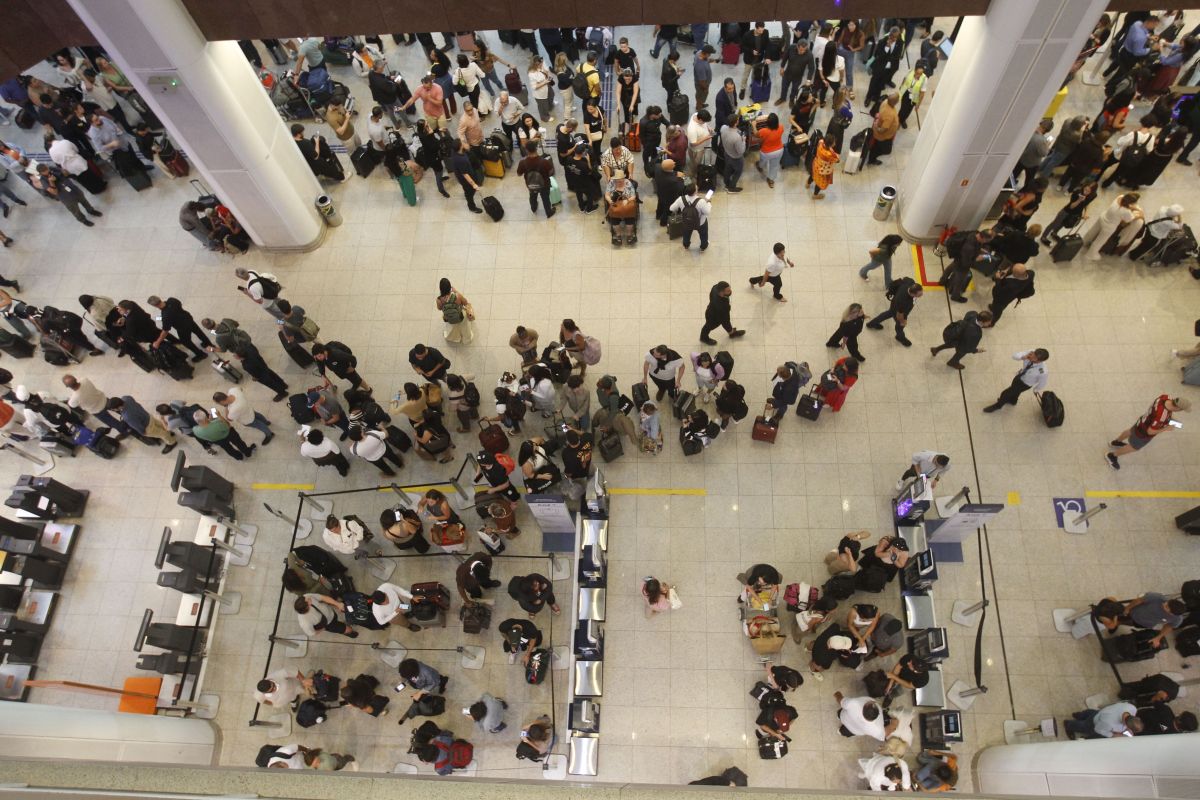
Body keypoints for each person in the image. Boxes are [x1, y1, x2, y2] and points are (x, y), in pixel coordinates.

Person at [1107, 394, 1190, 470]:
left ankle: (1116, 442)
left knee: (1131, 431)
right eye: (1182, 410)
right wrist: (1166, 428)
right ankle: (1112, 456)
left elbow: (1162, 412)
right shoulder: (1161, 417)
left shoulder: (1165, 397)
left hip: (1143, 421)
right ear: (1178, 408)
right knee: (1134, 447)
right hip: (1143, 434)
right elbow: (1150, 431)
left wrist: (1168, 418)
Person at [983, 349, 1050, 413]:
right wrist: (1023, 357)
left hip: (1025, 384)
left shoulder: (1043, 371)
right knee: (1015, 391)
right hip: (1019, 376)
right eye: (1033, 354)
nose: (1032, 356)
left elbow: (1042, 383)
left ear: (1040, 361)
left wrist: (1036, 390)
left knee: (1006, 393)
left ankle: (998, 405)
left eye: (1034, 357)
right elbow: (1014, 356)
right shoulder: (1030, 353)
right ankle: (1013, 401)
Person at [106, 395, 177, 453]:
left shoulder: (127, 416)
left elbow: (137, 425)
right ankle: (169, 432)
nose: (113, 410)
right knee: (160, 424)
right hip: (148, 416)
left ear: (118, 407)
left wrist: (143, 432)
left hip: (147, 426)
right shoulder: (126, 398)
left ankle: (171, 442)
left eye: (113, 409)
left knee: (161, 434)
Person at [929, 310, 994, 370]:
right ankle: (952, 362)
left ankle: (936, 349)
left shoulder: (973, 314)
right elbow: (968, 348)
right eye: (988, 322)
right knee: (961, 353)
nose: (990, 323)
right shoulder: (976, 333)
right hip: (961, 343)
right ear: (982, 321)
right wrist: (977, 350)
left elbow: (966, 317)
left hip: (955, 337)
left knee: (950, 344)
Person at [867, 277, 922, 347]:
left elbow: (904, 279)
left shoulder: (910, 282)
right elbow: (899, 315)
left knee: (888, 313)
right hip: (897, 309)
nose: (921, 295)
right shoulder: (903, 301)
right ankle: (900, 337)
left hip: (895, 303)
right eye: (919, 294)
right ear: (912, 294)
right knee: (899, 326)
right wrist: (903, 321)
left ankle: (871, 323)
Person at [1041, 179, 1098, 245]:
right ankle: (1044, 237)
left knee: (1063, 224)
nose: (1086, 192)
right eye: (1085, 189)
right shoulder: (1077, 192)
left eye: (1088, 191)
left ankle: (1054, 233)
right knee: (1055, 224)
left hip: (1076, 213)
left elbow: (1087, 203)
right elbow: (1071, 206)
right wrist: (1079, 200)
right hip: (1067, 211)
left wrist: (1085, 213)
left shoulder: (1093, 195)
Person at [1123, 593, 1188, 647]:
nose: (1164, 604)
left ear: (1171, 614)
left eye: (1166, 607)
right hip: (1132, 612)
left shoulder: (1177, 619)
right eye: (1167, 603)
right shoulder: (1157, 597)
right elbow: (1139, 600)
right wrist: (1127, 608)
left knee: (1126, 623)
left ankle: (1119, 623)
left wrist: (1158, 638)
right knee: (1119, 620)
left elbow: (1169, 627)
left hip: (1143, 623)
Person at [1064, 701, 1144, 739]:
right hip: (1096, 722)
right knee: (1084, 726)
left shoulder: (1132, 708)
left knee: (1090, 713)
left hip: (1103, 712)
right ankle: (1068, 724)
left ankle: (1078, 715)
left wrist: (1127, 729)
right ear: (1126, 725)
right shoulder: (1109, 723)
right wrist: (1119, 735)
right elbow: (1098, 730)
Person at [516, 142, 556, 219]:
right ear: (536, 149)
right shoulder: (544, 162)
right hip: (544, 184)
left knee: (532, 196)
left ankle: (533, 208)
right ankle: (549, 212)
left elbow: (519, 174)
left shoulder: (522, 162)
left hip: (530, 184)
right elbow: (551, 172)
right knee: (545, 198)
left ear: (526, 150)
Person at [865, 27, 903, 106]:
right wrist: (887, 48)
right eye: (893, 37)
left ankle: (876, 97)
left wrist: (889, 58)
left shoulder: (900, 42)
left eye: (896, 37)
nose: (895, 39)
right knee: (874, 82)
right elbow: (878, 55)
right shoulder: (882, 42)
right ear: (890, 35)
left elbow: (897, 55)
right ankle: (868, 97)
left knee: (881, 84)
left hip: (890, 68)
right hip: (880, 67)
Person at [294, 593, 358, 639]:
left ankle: (343, 626)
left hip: (331, 612)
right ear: (306, 608)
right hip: (329, 625)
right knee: (349, 629)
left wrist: (337, 604)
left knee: (337, 618)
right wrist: (323, 629)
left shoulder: (306, 596)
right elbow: (312, 633)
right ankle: (349, 633)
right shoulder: (305, 622)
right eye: (308, 601)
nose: (309, 598)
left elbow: (323, 598)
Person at [671, 182, 711, 252]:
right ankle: (703, 247)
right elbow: (707, 212)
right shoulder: (701, 201)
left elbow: (671, 208)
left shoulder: (681, 199)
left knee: (686, 234)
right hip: (700, 223)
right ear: (695, 191)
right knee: (703, 235)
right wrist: (708, 203)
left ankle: (686, 245)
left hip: (686, 222)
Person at [866, 94, 900, 166]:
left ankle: (872, 154)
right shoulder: (889, 115)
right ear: (895, 102)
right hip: (883, 136)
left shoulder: (885, 101)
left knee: (877, 146)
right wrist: (876, 127)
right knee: (885, 150)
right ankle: (871, 159)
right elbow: (882, 130)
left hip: (882, 130)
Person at [753, 113, 785, 188]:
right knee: (774, 166)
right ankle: (771, 181)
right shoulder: (781, 127)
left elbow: (756, 134)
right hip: (779, 150)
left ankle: (760, 167)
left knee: (762, 161)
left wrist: (754, 125)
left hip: (767, 152)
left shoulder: (764, 131)